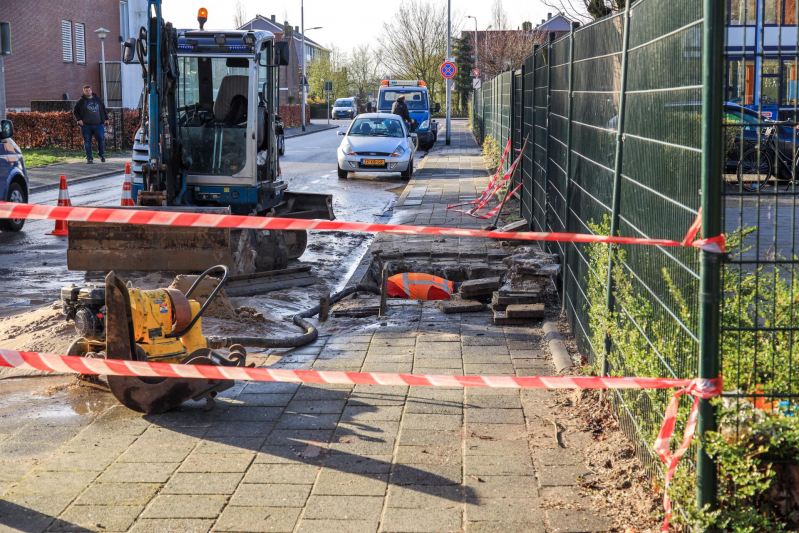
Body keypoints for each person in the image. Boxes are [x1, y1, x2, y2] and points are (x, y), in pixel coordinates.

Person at [73, 85, 109, 164]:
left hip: (98, 124)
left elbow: (103, 109)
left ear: (91, 91)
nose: (88, 92)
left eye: (89, 90)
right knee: (87, 141)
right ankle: (89, 158)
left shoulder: (98, 99)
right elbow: (75, 111)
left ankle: (101, 154)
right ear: (84, 91)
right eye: (86, 90)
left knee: (101, 139)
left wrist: (106, 119)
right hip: (86, 125)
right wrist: (79, 120)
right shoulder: (81, 101)